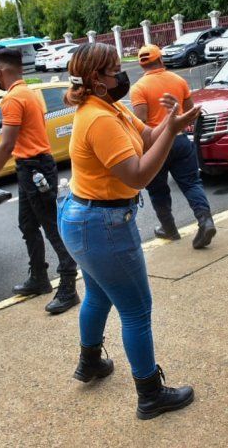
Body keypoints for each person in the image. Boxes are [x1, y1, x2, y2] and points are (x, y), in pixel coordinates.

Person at [58, 43, 199, 420]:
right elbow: (138, 174)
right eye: (115, 70)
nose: (123, 76)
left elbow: (148, 137)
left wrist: (172, 124)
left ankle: (90, 364)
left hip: (84, 219)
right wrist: (173, 133)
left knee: (99, 295)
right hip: (101, 225)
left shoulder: (111, 107)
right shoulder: (98, 119)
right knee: (136, 309)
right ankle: (150, 395)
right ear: (95, 81)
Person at [0, 48, 79, 313]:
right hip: (32, 167)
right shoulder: (29, 93)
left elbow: (7, 144)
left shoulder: (13, 99)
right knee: (28, 225)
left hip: (34, 168)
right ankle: (39, 278)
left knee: (51, 227)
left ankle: (69, 286)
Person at [130, 44, 216, 248]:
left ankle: (169, 229)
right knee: (191, 183)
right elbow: (188, 112)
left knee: (158, 189)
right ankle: (205, 220)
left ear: (142, 66)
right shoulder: (178, 80)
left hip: (155, 146)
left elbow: (140, 122)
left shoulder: (139, 88)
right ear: (160, 60)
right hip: (179, 140)